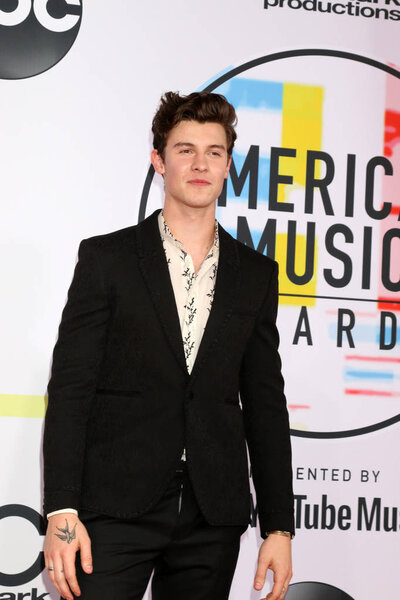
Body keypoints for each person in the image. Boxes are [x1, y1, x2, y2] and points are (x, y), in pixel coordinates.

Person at [43, 91, 295, 600]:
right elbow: (71, 391)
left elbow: (265, 404)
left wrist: (278, 527)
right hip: (112, 509)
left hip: (212, 515)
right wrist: (62, 511)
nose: (200, 163)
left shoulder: (256, 275)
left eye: (214, 152)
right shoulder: (106, 259)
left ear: (229, 166)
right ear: (158, 161)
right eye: (184, 150)